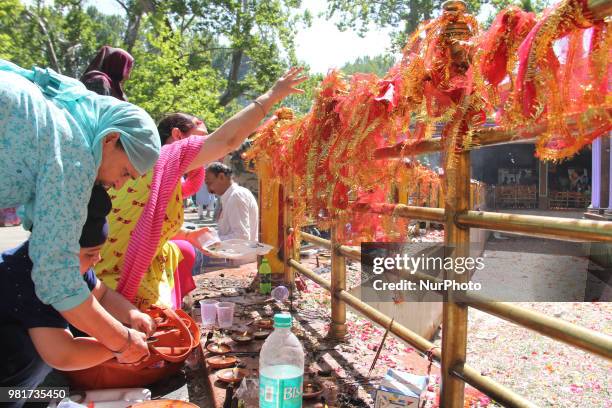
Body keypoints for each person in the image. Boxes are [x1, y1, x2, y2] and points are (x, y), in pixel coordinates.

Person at [95, 67, 307, 310]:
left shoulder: (158, 173)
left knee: (181, 250)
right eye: (200, 137)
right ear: (177, 135)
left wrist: (187, 235)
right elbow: (227, 140)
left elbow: (138, 226)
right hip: (111, 281)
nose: (205, 147)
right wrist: (272, 95)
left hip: (115, 272)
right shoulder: (160, 161)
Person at [0, 59, 160, 365]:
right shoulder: (74, 154)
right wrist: (122, 343)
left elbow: (94, 290)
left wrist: (128, 320)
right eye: (126, 172)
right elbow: (57, 277)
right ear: (111, 139)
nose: (118, 184)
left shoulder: (62, 121)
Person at [0, 186, 155, 406]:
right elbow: (64, 354)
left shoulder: (68, 266)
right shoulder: (26, 277)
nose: (98, 259)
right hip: (6, 394)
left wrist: (132, 314)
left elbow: (101, 295)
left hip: (25, 389)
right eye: (91, 253)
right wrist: (122, 347)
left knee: (64, 398)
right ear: (59, 248)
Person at [205, 162, 258, 242]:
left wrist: (211, 240)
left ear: (221, 177)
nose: (209, 190)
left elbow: (241, 237)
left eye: (209, 183)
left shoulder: (236, 196)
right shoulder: (230, 196)